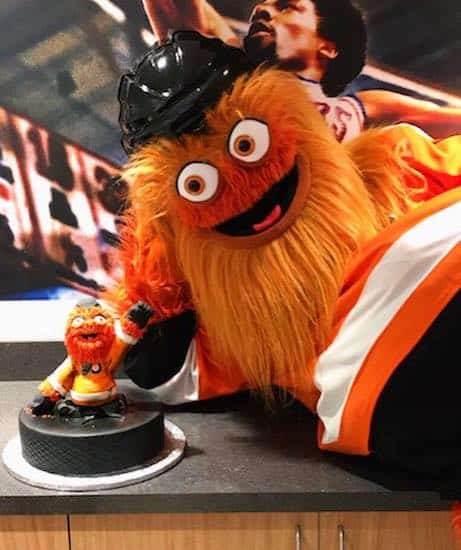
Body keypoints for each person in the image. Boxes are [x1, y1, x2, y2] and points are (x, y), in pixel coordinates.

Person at [142, 0, 461, 142]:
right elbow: (178, 10)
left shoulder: (363, 109)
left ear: (329, 45)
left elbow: (449, 122)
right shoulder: (236, 81)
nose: (262, 10)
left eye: (285, 6)